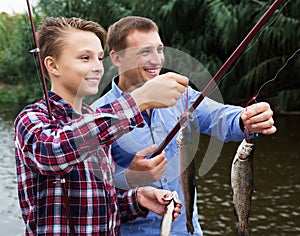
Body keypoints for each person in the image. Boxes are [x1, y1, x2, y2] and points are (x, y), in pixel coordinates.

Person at [93, 16, 277, 235]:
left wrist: (246, 118)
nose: (156, 60)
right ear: (117, 58)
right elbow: (93, 191)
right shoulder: (97, 116)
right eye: (144, 52)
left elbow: (220, 117)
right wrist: (131, 179)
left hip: (187, 230)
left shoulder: (182, 97)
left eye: (159, 49)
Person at [14, 17, 186, 235]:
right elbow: (53, 153)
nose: (97, 67)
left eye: (99, 58)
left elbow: (99, 206)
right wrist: (138, 100)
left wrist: (137, 198)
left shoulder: (96, 121)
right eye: (85, 58)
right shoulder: (31, 119)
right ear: (53, 65)